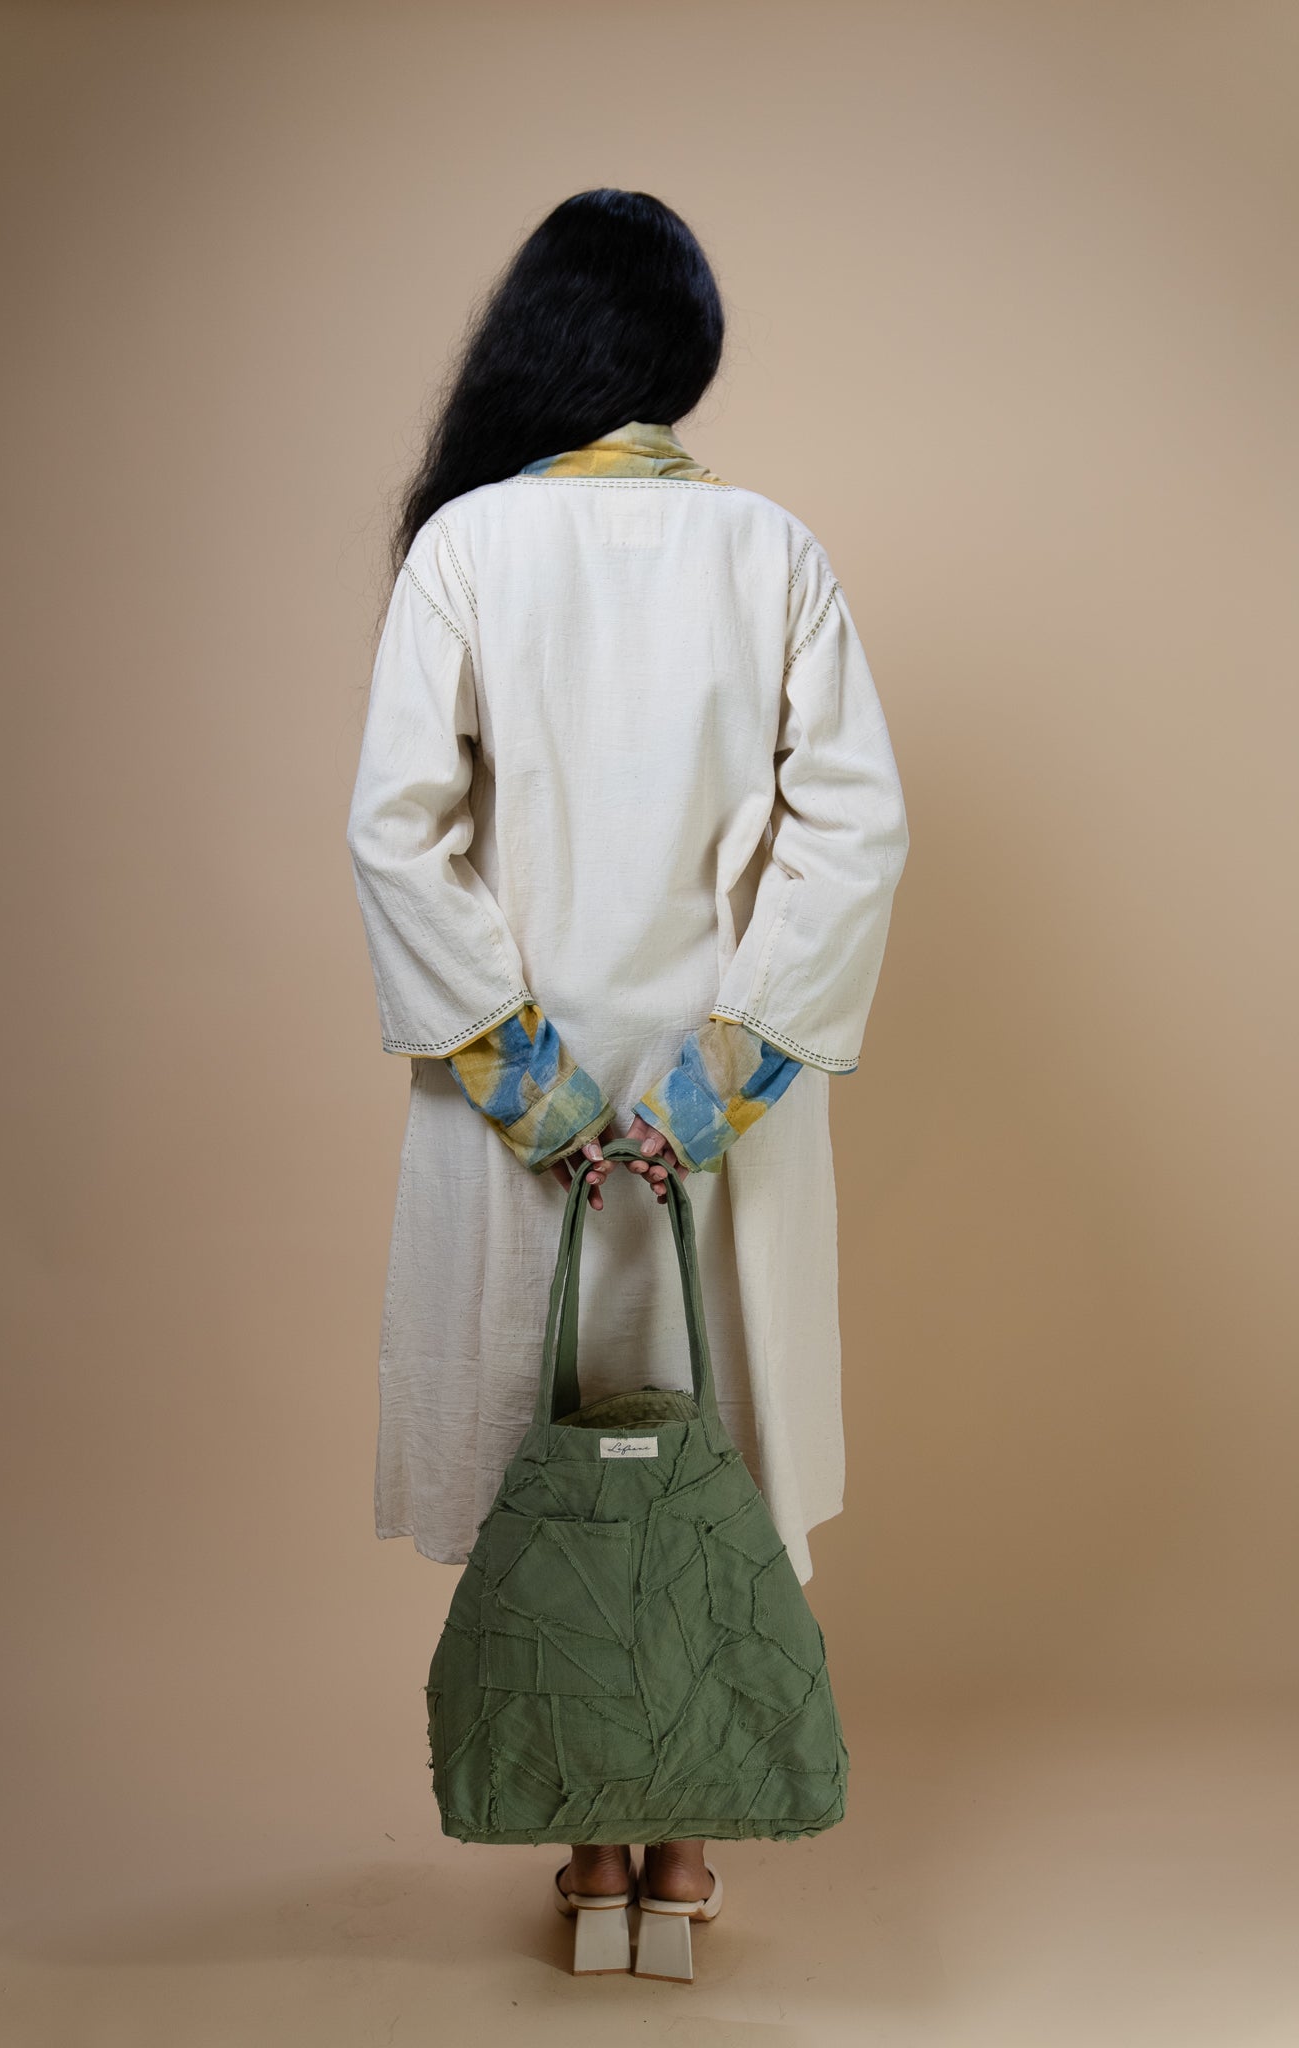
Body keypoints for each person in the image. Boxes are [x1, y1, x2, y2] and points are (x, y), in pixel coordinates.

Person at [346, 188, 910, 1927]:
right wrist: (714, 1081)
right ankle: (681, 1842)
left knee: (559, 1460)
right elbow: (856, 833)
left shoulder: (466, 549)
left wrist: (532, 1080)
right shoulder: (773, 551)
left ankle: (586, 1839)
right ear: (686, 353)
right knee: (707, 1460)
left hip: (519, 1095)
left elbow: (396, 835)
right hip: (713, 1103)